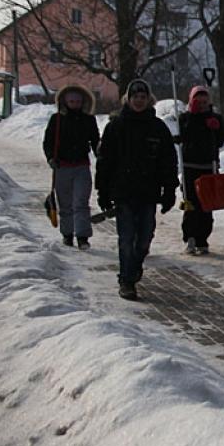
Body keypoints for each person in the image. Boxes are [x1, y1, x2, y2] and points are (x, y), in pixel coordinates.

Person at [95, 78, 179, 300]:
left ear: (149, 100)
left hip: (148, 192)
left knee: (144, 239)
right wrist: (102, 191)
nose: (139, 101)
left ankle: (134, 266)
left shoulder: (158, 128)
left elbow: (168, 162)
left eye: (143, 97)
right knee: (126, 238)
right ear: (128, 99)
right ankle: (126, 280)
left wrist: (170, 190)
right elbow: (105, 161)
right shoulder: (116, 126)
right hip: (123, 191)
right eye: (135, 97)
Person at [43, 84, 100, 249]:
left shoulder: (88, 120)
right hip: (62, 167)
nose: (74, 103)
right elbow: (48, 142)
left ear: (83, 102)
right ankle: (67, 234)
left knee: (81, 202)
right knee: (65, 203)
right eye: (71, 101)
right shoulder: (57, 120)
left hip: (82, 166)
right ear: (64, 101)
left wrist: (101, 157)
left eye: (77, 101)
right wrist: (51, 158)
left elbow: (95, 140)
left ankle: (82, 236)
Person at [177, 86, 224, 255]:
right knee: (190, 204)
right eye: (199, 102)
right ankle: (190, 237)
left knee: (206, 205)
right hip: (190, 167)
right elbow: (183, 137)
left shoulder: (215, 118)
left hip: (208, 166)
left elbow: (220, 141)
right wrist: (193, 117)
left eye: (206, 102)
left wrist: (215, 128)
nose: (203, 105)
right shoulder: (185, 118)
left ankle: (202, 238)